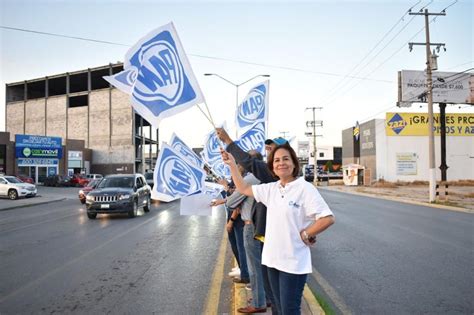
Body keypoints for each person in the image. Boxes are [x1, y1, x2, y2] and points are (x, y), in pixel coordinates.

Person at [221, 142, 335, 315]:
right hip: (270, 261)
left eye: (285, 159)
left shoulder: (305, 189)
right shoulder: (271, 189)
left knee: (289, 310)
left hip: (293, 263)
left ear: (294, 163)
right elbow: (243, 188)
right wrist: (231, 164)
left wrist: (307, 233)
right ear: (272, 167)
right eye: (276, 160)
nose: (281, 163)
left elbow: (327, 218)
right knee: (276, 307)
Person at [216, 128, 285, 314]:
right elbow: (242, 189)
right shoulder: (269, 180)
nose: (273, 156)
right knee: (265, 268)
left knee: (257, 268)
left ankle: (260, 302)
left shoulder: (264, 176)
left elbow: (234, 199)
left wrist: (229, 141)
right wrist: (231, 164)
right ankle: (266, 299)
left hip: (254, 227)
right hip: (264, 227)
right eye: (269, 150)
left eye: (275, 152)